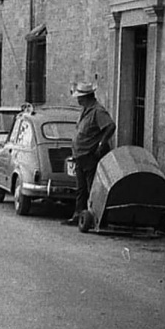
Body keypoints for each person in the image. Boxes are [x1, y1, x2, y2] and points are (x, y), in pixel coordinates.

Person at [64, 82, 116, 225]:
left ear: (86, 97)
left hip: (90, 155)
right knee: (81, 188)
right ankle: (78, 215)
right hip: (80, 155)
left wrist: (102, 143)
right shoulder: (85, 110)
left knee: (92, 187)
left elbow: (110, 126)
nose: (78, 99)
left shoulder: (98, 111)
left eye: (79, 97)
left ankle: (93, 217)